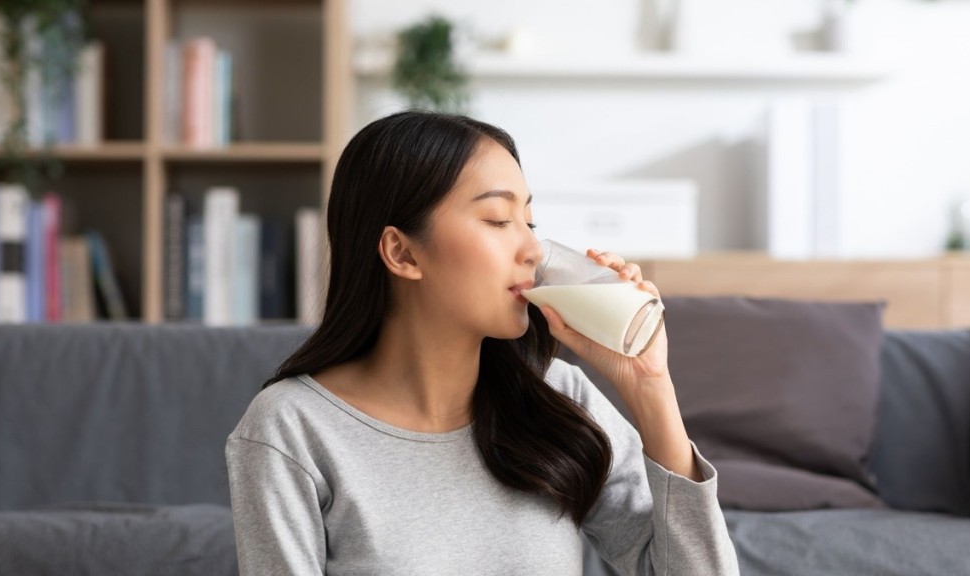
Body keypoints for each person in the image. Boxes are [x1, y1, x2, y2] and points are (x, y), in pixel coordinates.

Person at [225, 110, 740, 575]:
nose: (534, 248)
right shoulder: (290, 429)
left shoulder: (556, 398)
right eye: (498, 220)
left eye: (530, 221)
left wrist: (650, 385)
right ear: (402, 253)